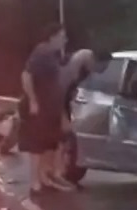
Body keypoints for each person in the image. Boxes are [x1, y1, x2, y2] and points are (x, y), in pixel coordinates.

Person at [17, 23, 73, 193]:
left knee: (49, 143)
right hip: (40, 108)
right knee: (37, 145)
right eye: (62, 36)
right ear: (53, 37)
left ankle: (43, 178)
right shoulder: (42, 52)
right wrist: (34, 101)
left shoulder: (52, 55)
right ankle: (35, 181)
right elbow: (26, 75)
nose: (65, 40)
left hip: (50, 109)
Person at [55, 49, 112, 184]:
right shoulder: (75, 65)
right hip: (53, 100)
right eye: (102, 66)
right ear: (94, 60)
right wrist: (62, 117)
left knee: (62, 137)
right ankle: (54, 173)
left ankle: (57, 173)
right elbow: (57, 92)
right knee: (58, 137)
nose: (103, 70)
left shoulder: (85, 69)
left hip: (63, 100)